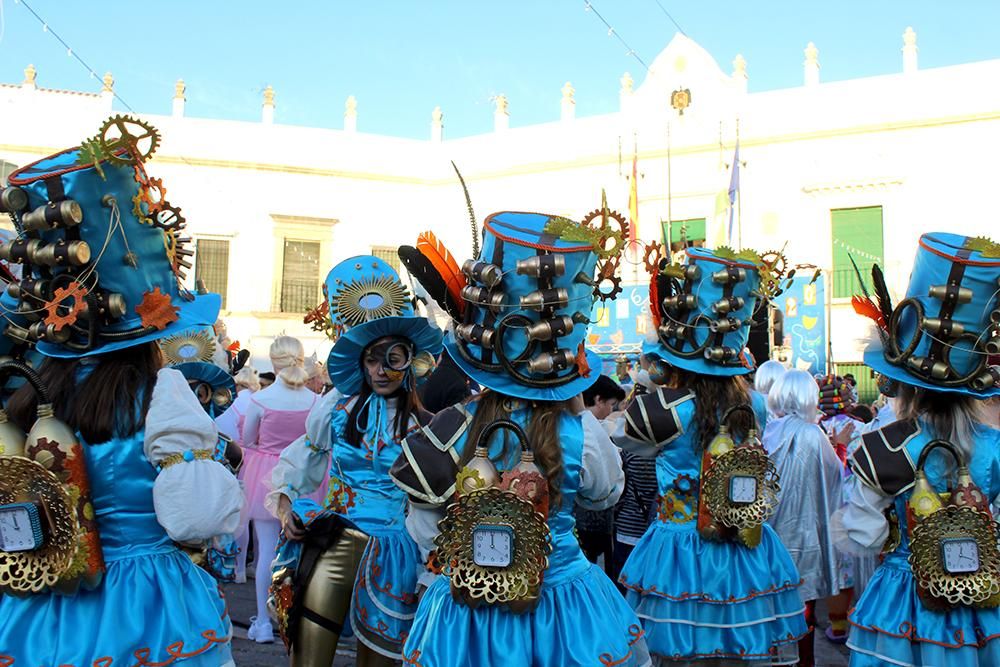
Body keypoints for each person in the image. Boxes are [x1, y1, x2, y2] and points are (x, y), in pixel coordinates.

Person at [0, 117, 241, 665]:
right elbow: (196, 518)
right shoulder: (162, 393)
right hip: (142, 600)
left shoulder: (30, 394)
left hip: (38, 598)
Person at [390, 210, 649, 666]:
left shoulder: (454, 425)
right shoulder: (580, 430)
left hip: (469, 615)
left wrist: (471, 563)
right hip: (566, 608)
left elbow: (425, 527)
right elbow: (606, 493)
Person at [612, 245, 807, 664]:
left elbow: (622, 440)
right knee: (740, 648)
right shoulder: (753, 404)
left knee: (682, 653)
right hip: (744, 547)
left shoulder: (662, 410)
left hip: (681, 550)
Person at [268, 256, 442, 665]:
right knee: (308, 658)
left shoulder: (428, 427)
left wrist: (431, 566)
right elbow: (300, 462)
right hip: (335, 540)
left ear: (410, 360)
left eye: (392, 359)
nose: (380, 371)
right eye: (371, 360)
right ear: (360, 364)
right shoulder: (334, 411)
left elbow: (433, 505)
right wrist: (288, 506)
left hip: (396, 554)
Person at [840, 232, 1000, 666]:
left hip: (906, 602)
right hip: (986, 602)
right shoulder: (996, 447)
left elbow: (863, 535)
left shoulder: (883, 447)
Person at [239, 335, 318, 644]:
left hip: (265, 476)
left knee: (266, 553)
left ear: (273, 363)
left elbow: (247, 440)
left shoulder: (261, 400)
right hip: (303, 479)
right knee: (302, 554)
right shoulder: (315, 402)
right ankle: (298, 622)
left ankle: (262, 623)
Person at [763, 369, 845, 664]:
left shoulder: (765, 430)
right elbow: (835, 474)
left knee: (768, 605)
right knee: (803, 610)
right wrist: (840, 449)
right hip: (804, 535)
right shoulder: (812, 434)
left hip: (765, 537)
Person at [576, 374, 628, 570]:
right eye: (611, 404)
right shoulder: (595, 433)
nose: (610, 410)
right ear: (598, 400)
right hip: (594, 520)